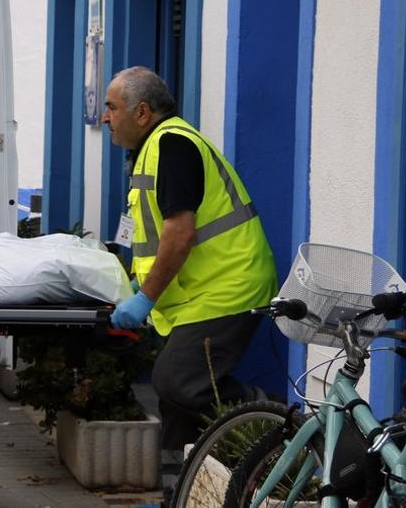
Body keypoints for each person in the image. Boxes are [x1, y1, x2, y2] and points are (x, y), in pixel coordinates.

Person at [102, 66, 276, 497]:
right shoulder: (152, 150)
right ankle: (176, 494)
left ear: (142, 112)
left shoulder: (173, 145)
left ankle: (281, 418)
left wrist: (144, 298)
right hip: (199, 295)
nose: (104, 117)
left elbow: (180, 234)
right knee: (177, 408)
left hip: (228, 287)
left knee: (177, 380)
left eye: (111, 107)